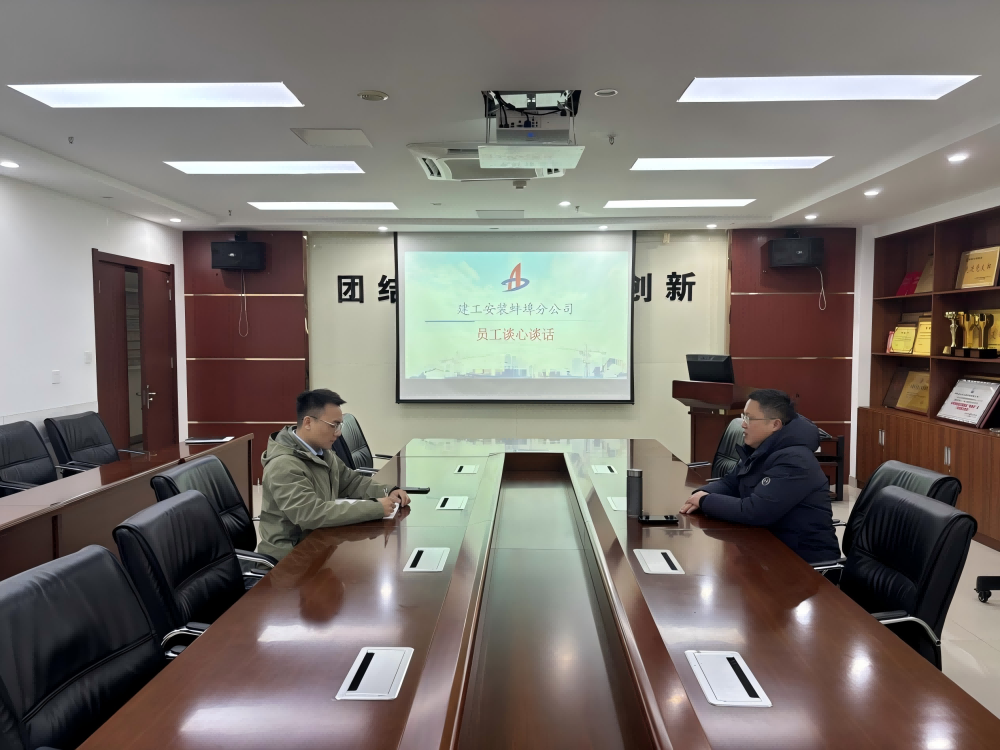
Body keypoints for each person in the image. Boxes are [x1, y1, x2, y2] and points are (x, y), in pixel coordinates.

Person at [680, 389, 840, 564]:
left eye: (749, 418)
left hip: (802, 562)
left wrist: (704, 501)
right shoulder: (761, 449)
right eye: (743, 417)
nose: (743, 424)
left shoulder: (795, 461)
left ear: (775, 424)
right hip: (767, 548)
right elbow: (730, 482)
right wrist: (700, 494)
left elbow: (755, 512)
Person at [258, 389, 410, 561]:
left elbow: (351, 482)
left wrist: (388, 491)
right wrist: (375, 508)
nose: (338, 433)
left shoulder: (322, 452)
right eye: (333, 425)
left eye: (339, 426)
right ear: (308, 422)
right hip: (290, 559)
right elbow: (311, 514)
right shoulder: (283, 465)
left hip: (319, 543)